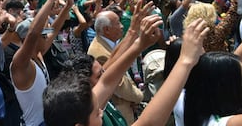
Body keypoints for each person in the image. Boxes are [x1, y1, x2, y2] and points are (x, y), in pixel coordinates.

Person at [43, 18, 210, 126]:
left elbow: (106, 81)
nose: (102, 109)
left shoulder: (76, 109)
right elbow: (149, 123)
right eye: (96, 113)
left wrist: (139, 44)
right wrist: (185, 60)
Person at [10, 0, 72, 126]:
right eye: (43, 33)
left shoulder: (39, 53)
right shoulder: (20, 64)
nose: (47, 35)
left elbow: (54, 30)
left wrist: (68, 7)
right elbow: (33, 33)